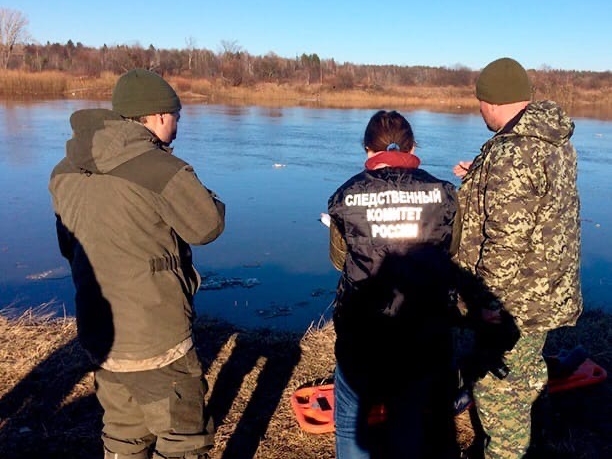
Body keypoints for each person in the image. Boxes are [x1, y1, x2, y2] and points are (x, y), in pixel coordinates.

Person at [49, 69, 225, 459]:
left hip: (101, 330)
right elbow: (208, 225)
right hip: (155, 334)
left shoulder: (65, 171)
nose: (178, 125)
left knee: (124, 434)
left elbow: (69, 246)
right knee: (183, 437)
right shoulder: (161, 170)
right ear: (159, 115)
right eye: (176, 116)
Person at [452, 57, 583, 458]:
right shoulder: (549, 140)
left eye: (480, 102)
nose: (479, 110)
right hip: (542, 290)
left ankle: (507, 451)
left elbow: (505, 243)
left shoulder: (514, 153)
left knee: (500, 390)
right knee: (523, 373)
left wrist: (489, 304)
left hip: (516, 300)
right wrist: (480, 177)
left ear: (493, 101)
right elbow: (535, 199)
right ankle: (528, 431)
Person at [326, 110, 461, 458]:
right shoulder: (445, 194)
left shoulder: (346, 196)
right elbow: (452, 249)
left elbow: (339, 260)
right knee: (409, 418)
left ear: (367, 151)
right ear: (414, 146)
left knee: (351, 420)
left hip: (362, 330)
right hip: (423, 329)